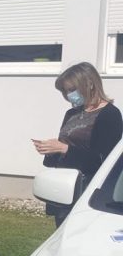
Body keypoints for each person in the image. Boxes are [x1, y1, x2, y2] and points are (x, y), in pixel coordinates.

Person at [33, 61, 122, 227]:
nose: (69, 95)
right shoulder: (72, 113)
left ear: (89, 84)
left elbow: (103, 161)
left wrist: (64, 149)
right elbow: (66, 147)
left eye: (72, 89)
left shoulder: (109, 114)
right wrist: (51, 150)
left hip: (87, 192)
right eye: (65, 91)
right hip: (64, 189)